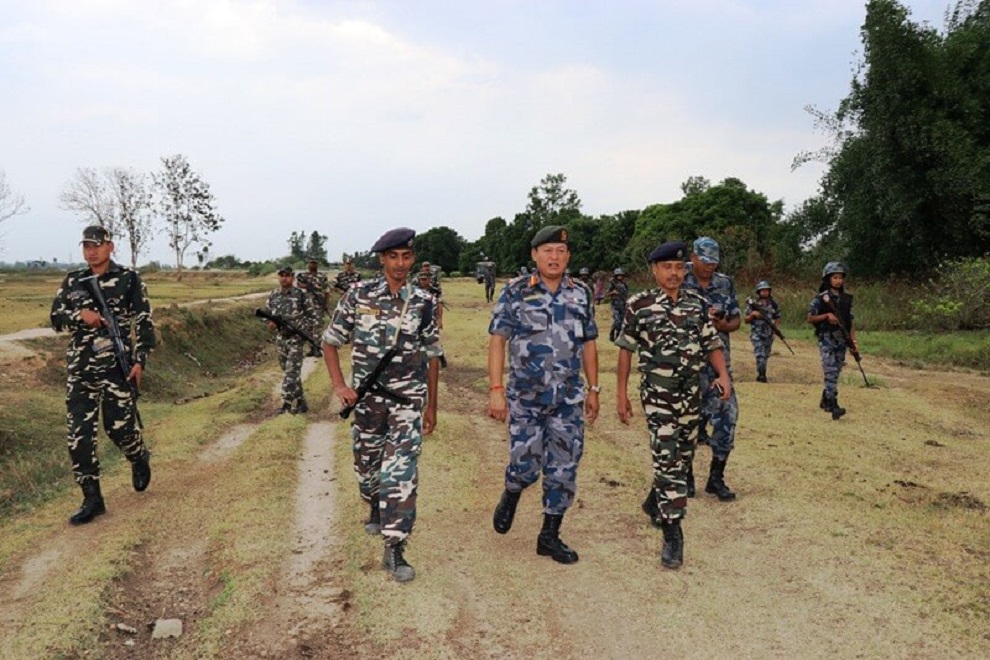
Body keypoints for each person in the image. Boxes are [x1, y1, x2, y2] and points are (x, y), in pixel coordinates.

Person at [323, 227, 442, 582]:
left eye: (406, 257)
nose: (401, 264)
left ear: (413, 259)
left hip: (408, 400)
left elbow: (433, 356)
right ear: (382, 259)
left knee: (399, 473)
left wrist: (431, 407)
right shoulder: (359, 295)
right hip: (367, 401)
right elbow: (330, 342)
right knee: (368, 470)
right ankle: (373, 503)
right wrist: (340, 385)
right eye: (394, 257)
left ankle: (394, 548)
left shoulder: (424, 301)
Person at [487, 225, 599, 565]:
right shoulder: (516, 292)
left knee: (564, 466)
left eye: (561, 252)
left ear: (568, 257)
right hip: (525, 397)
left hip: (567, 397)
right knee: (526, 464)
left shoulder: (581, 293)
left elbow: (589, 343)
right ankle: (512, 490)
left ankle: (549, 534)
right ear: (535, 255)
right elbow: (498, 340)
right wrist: (495, 390)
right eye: (548, 251)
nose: (555, 257)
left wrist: (594, 388)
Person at [616, 241, 731, 569]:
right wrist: (620, 394)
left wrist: (723, 374)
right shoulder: (639, 304)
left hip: (691, 394)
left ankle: (655, 501)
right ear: (654, 270)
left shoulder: (697, 303)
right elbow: (626, 350)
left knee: (683, 456)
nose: (674, 274)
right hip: (657, 396)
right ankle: (672, 531)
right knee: (667, 457)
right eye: (667, 268)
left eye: (680, 268)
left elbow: (712, 343)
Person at [50, 225, 154, 526]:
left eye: (97, 245)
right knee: (79, 437)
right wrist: (79, 316)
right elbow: (55, 318)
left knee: (119, 429)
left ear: (110, 246)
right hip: (81, 369)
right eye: (86, 245)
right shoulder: (73, 280)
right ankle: (92, 498)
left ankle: (138, 457)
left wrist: (139, 362)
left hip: (116, 368)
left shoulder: (129, 279)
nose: (91, 251)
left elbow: (145, 322)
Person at [682, 236, 739, 501]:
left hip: (718, 364)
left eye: (714, 262)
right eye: (705, 261)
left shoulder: (725, 283)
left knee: (728, 416)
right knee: (687, 421)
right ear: (693, 257)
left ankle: (716, 477)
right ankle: (686, 475)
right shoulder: (678, 278)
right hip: (687, 362)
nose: (709, 266)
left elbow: (736, 321)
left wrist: (719, 325)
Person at [807, 262, 857, 420]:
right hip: (826, 338)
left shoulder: (847, 299)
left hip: (842, 340)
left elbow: (851, 321)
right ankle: (833, 403)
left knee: (837, 369)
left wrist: (853, 341)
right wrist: (826, 316)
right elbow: (810, 318)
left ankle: (826, 398)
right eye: (835, 277)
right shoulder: (821, 299)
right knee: (830, 370)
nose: (838, 280)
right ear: (828, 279)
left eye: (840, 277)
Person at [265, 265, 313, 414]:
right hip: (281, 338)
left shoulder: (301, 295)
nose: (284, 278)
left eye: (287, 275)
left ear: (292, 277)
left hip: (296, 338)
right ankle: (301, 401)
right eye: (281, 275)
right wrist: (270, 323)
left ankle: (286, 402)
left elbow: (311, 316)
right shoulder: (273, 295)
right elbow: (266, 314)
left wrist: (300, 328)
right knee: (288, 371)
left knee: (292, 372)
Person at [744, 280, 781, 383]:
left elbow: (778, 317)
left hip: (769, 333)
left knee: (766, 355)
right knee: (760, 354)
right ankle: (762, 375)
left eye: (766, 290)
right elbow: (746, 320)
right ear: (759, 292)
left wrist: (775, 328)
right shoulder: (753, 304)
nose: (765, 292)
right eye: (762, 290)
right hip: (757, 333)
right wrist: (753, 315)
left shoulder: (773, 304)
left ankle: (761, 371)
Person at [295, 256, 330, 357]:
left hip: (318, 305)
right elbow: (298, 287)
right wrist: (305, 286)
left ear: (317, 264)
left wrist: (325, 304)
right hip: (306, 306)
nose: (312, 265)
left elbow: (327, 291)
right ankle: (311, 347)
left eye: (314, 263)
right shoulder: (303, 276)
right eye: (311, 263)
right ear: (308, 263)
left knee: (318, 327)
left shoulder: (322, 276)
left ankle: (317, 348)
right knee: (308, 327)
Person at [606, 268, 629, 342]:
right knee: (617, 321)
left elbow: (626, 295)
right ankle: (613, 334)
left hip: (623, 305)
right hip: (615, 305)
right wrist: (613, 292)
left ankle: (617, 335)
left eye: (621, 276)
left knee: (622, 321)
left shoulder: (624, 285)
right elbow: (606, 294)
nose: (620, 277)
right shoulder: (612, 284)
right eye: (618, 276)